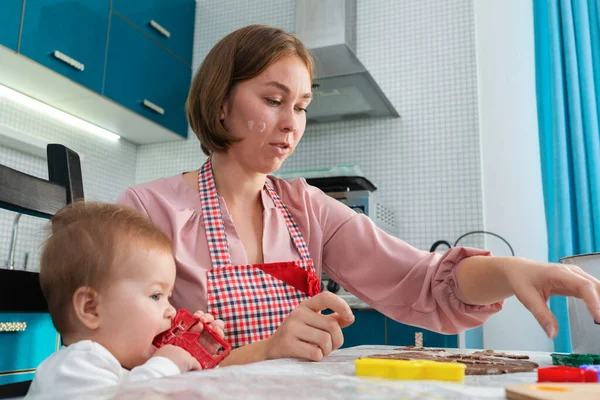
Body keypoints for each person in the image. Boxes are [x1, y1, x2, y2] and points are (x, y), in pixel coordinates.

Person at [118, 24, 600, 366]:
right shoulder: (147, 212)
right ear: (220, 104)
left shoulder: (304, 207)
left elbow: (421, 279)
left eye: (302, 106)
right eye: (273, 100)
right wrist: (262, 351)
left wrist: (513, 270)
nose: (292, 123)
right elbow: (126, 362)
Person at [26, 202, 225, 398]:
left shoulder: (132, 370)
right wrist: (166, 365)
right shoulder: (73, 367)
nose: (172, 311)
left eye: (168, 297)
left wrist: (195, 360)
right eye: (156, 296)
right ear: (91, 308)